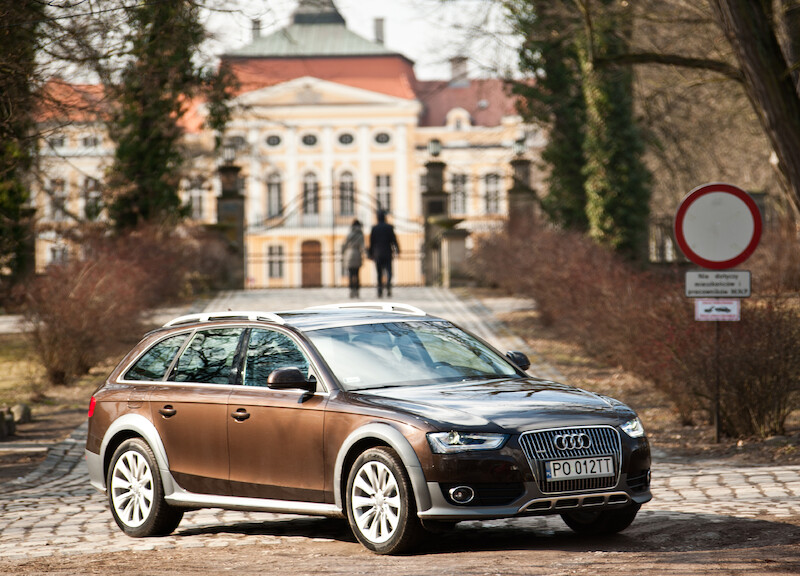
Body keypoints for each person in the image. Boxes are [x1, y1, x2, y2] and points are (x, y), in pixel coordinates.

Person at [368, 210, 399, 298]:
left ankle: (380, 290)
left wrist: (370, 253)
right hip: (387, 252)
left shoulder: (374, 228)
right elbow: (394, 240)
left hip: (377, 253)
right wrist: (397, 249)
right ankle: (388, 284)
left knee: (379, 273)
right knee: (389, 271)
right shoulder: (389, 227)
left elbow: (371, 242)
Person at [341, 219, 365, 298]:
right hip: (357, 254)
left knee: (351, 274)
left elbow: (344, 245)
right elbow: (362, 246)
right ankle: (357, 291)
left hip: (348, 254)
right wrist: (367, 254)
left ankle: (351, 291)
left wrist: (342, 253)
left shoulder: (349, 234)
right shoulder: (360, 235)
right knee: (357, 274)